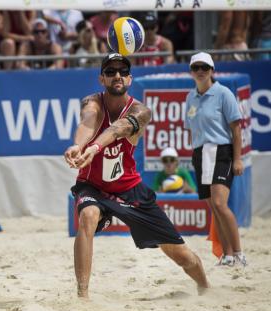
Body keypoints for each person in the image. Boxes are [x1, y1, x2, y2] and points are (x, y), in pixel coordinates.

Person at [64, 53, 209, 298]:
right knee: (88, 216)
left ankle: (205, 287)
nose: (117, 75)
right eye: (110, 72)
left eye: (122, 71)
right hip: (92, 186)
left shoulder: (141, 111)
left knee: (181, 255)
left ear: (130, 79)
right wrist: (78, 146)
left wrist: (95, 147)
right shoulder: (92, 102)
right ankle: (82, 296)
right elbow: (88, 122)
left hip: (130, 189)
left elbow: (117, 129)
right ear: (102, 78)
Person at [184, 52, 246, 267]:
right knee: (214, 208)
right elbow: (191, 129)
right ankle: (227, 255)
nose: (200, 71)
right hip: (201, 153)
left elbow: (236, 129)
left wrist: (237, 159)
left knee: (220, 204)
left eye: (204, 67)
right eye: (196, 67)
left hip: (222, 151)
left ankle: (239, 254)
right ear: (191, 72)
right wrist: (194, 153)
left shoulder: (223, 93)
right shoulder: (190, 97)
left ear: (212, 70)